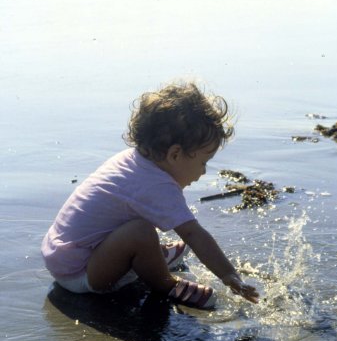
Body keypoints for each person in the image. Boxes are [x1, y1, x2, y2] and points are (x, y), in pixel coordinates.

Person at [41, 81, 259, 309]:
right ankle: (167, 284)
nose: (204, 171)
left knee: (138, 222)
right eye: (203, 162)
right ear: (175, 154)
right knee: (140, 231)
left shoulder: (133, 160)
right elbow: (193, 234)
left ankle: (151, 256)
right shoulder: (157, 187)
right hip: (80, 273)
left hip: (63, 254)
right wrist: (229, 275)